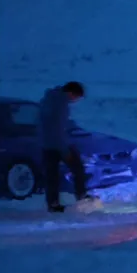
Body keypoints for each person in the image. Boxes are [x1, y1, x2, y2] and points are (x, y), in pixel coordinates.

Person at [39, 81, 89, 212]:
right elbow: (58, 128)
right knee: (77, 169)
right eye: (76, 97)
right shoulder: (60, 105)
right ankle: (82, 196)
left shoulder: (48, 100)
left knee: (52, 176)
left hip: (47, 143)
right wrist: (64, 149)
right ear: (71, 93)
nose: (75, 100)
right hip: (59, 144)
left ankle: (53, 204)